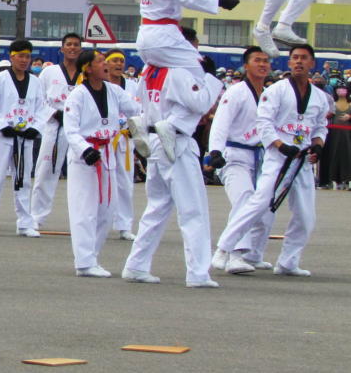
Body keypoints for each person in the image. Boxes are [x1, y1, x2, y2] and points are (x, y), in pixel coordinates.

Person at [211, 45, 328, 277]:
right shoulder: (275, 91)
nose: (298, 62)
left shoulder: (320, 97)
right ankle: (225, 248)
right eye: (294, 58)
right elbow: (263, 123)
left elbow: (320, 127)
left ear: (312, 63)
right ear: (289, 63)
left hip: (301, 161)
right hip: (275, 157)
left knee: (306, 216)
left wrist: (318, 144)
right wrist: (279, 145)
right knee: (258, 203)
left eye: (304, 58)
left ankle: (287, 262)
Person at [132, 0, 241, 160]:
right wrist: (220, 1)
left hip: (148, 37)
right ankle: (173, 125)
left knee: (155, 77)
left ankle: (143, 119)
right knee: (203, 79)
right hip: (164, 36)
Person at [121, 59, 224, 287]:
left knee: (156, 206)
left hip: (155, 138)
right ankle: (198, 273)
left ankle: (136, 264)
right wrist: (209, 77)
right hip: (175, 141)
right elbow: (200, 103)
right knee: (193, 210)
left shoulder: (150, 69)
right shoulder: (180, 70)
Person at [64, 50, 140, 277]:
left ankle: (92, 257)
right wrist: (85, 149)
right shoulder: (77, 95)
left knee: (107, 209)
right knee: (84, 210)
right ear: (87, 68)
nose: (105, 64)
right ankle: (84, 262)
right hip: (85, 156)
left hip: (107, 152)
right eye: (99, 61)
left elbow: (137, 109)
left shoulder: (115, 91)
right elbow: (70, 129)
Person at [207, 46, 275, 274]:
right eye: (257, 60)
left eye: (266, 61)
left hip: (260, 156)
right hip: (233, 155)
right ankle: (234, 255)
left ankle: (254, 254)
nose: (263, 64)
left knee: (264, 207)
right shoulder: (236, 92)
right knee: (244, 200)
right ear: (246, 66)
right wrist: (214, 151)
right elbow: (221, 122)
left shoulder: (268, 93)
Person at [0, 39, 46, 238]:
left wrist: (35, 127)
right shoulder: (0, 79)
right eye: (20, 56)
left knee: (23, 180)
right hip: (3, 136)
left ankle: (25, 223)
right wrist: (3, 125)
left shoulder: (35, 82)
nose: (24, 60)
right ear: (12, 57)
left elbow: (42, 108)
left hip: (25, 138)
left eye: (27, 57)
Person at [30, 33, 82, 230]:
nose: (72, 48)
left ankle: (81, 218)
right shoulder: (49, 73)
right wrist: (53, 113)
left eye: (76, 45)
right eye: (68, 44)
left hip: (78, 128)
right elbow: (39, 99)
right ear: (62, 49)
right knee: (45, 172)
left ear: (80, 49)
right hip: (54, 125)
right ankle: (36, 216)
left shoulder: (86, 72)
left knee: (82, 174)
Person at [104, 49, 140, 240]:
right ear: (106, 64)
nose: (119, 64)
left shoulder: (133, 85)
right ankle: (98, 221)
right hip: (103, 139)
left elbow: (139, 110)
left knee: (125, 182)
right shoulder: (100, 84)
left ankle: (124, 225)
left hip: (125, 137)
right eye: (114, 61)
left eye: (121, 61)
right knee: (100, 181)